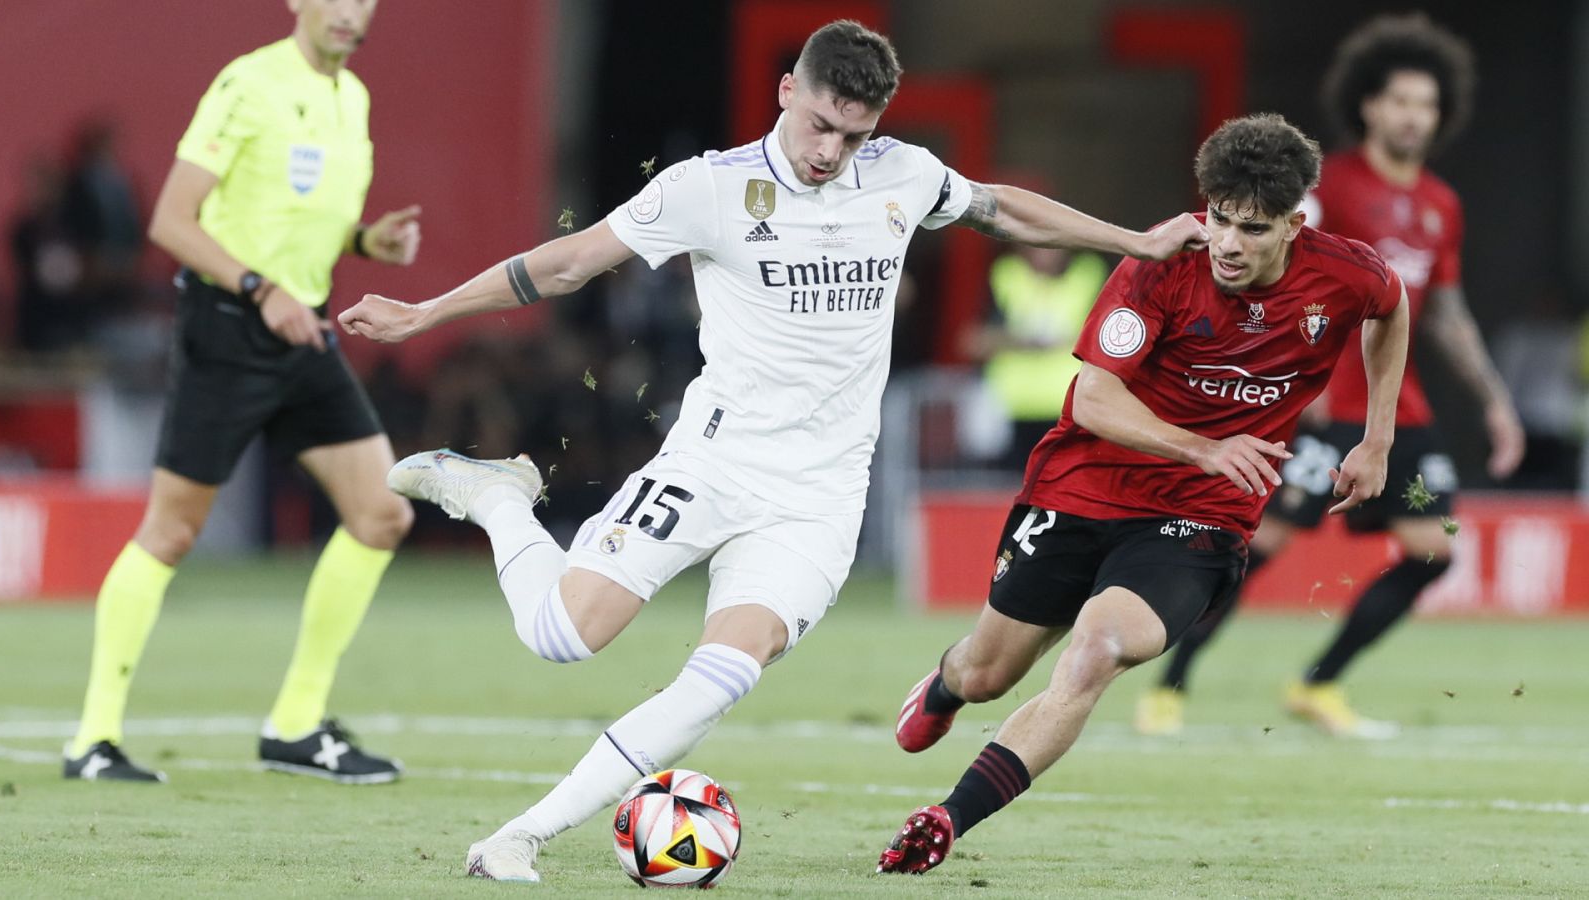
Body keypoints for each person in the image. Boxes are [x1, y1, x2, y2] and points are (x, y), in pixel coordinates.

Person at [337, 19, 1207, 883]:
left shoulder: (902, 172)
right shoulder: (707, 189)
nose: (833, 150)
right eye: (822, 124)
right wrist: (425, 311)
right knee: (564, 636)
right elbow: (568, 264)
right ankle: (498, 500)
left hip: (819, 500)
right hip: (711, 463)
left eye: (854, 133)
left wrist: (1134, 242)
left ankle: (518, 837)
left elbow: (997, 205)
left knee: (719, 677)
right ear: (789, 90)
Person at [878, 112, 1410, 875]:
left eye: (1252, 229)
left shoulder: (1344, 272)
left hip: (1200, 517)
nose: (1227, 242)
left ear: (1295, 224)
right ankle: (949, 681)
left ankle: (946, 817)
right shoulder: (1162, 264)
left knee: (1094, 652)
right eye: (1219, 218)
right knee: (990, 673)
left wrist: (1378, 437)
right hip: (1082, 486)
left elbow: (1391, 309)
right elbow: (1093, 399)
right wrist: (1207, 446)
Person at [1136, 13, 1524, 740]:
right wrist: (1281, 378)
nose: (1415, 116)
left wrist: (1496, 405)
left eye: (1427, 104)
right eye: (1402, 100)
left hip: (1394, 415)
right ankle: (1170, 684)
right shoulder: (1332, 187)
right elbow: (1261, 271)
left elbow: (1444, 314)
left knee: (1432, 549)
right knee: (1260, 546)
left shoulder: (1441, 206)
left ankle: (1317, 685)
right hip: (1318, 407)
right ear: (1370, 104)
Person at [64, 0, 422, 785]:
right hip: (230, 328)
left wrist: (367, 242)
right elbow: (171, 220)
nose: (349, 13)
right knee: (172, 532)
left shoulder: (350, 98)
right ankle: (93, 739)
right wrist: (259, 288)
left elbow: (306, 222)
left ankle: (295, 724)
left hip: (305, 330)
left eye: (364, 0)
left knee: (382, 512)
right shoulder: (248, 84)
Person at [961, 242, 1109, 467]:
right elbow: (973, 340)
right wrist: (1023, 341)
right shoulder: (1006, 276)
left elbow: (1110, 339)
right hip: (1012, 408)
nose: (1045, 254)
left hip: (1070, 408)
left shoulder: (1089, 275)